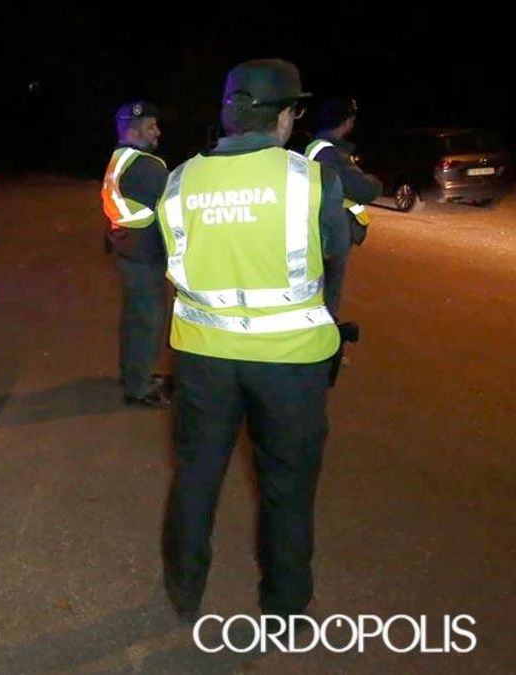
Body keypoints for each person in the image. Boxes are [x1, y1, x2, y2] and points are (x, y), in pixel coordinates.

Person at [157, 59, 351, 621]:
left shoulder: (179, 180)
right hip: (290, 364)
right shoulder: (311, 179)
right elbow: (336, 251)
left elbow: (172, 257)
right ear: (285, 116)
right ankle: (285, 606)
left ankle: (184, 592)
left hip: (203, 358)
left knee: (196, 475)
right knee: (287, 486)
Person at [100, 101, 172, 408]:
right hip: (145, 257)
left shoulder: (120, 158)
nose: (158, 132)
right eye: (151, 127)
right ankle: (140, 388)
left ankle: (132, 373)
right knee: (148, 322)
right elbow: (175, 203)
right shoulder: (145, 166)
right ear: (133, 131)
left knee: (135, 319)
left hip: (128, 252)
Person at [305, 98, 382, 315]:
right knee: (328, 292)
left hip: (325, 226)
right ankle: (325, 328)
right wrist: (373, 182)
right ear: (347, 122)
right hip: (330, 230)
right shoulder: (327, 152)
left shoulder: (321, 148)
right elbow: (363, 189)